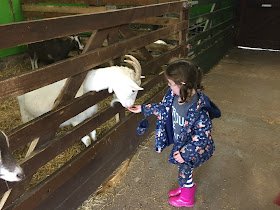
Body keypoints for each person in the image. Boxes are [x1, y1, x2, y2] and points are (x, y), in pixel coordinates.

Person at [127, 59, 221, 207]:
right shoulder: (175, 96)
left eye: (171, 83)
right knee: (183, 170)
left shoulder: (198, 110)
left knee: (185, 169)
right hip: (181, 142)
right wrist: (143, 109)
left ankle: (187, 197)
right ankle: (184, 187)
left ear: (182, 83)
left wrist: (185, 154)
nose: (169, 87)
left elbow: (203, 137)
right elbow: (163, 108)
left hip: (191, 149)